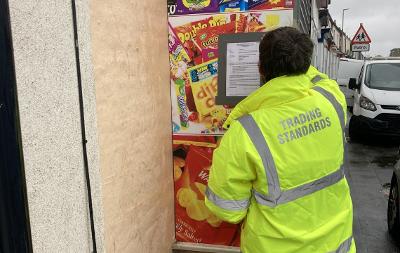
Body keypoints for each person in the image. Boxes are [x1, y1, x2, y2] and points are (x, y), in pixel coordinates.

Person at [205, 27, 355, 253]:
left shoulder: (243, 132)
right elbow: (318, 78)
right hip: (336, 243)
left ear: (260, 69)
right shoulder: (331, 99)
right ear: (306, 63)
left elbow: (228, 210)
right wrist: (297, 61)